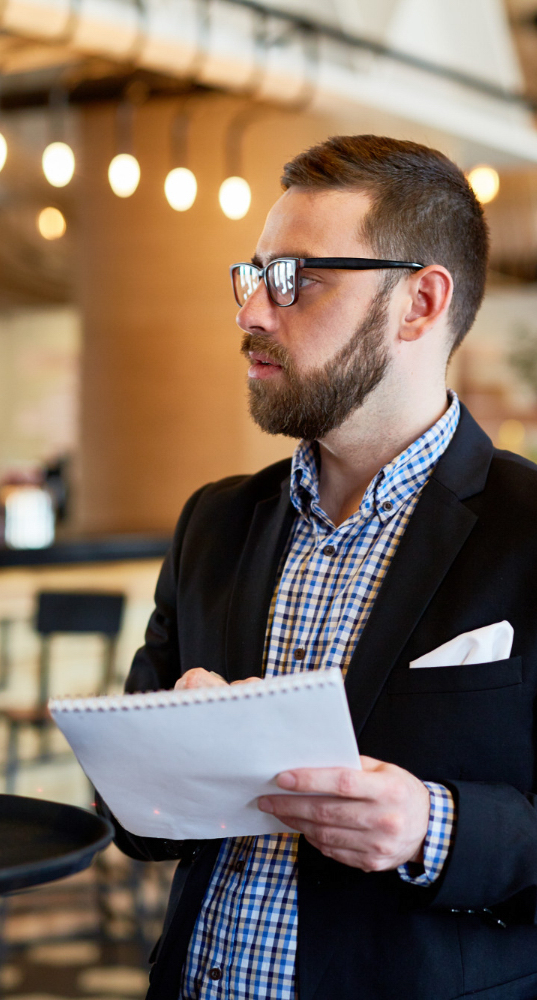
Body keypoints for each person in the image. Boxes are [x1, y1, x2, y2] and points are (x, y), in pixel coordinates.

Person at [105, 135, 537, 1000]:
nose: (253, 313)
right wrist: (167, 764)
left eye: (297, 279)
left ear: (420, 302)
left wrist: (433, 828)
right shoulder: (215, 523)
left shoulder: (528, 532)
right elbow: (139, 829)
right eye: (255, 275)